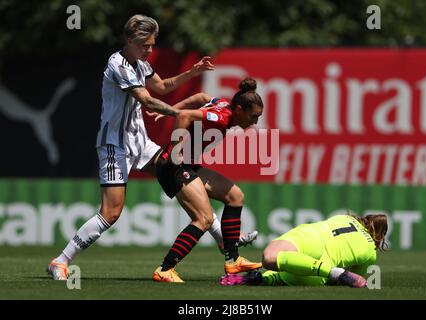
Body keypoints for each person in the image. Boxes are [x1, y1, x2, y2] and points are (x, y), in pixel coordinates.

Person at [46, 14, 246, 280]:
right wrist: (180, 114)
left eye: (153, 45)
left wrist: (192, 71)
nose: (150, 50)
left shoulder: (140, 63)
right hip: (114, 146)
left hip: (140, 142)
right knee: (111, 213)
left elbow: (161, 86)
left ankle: (225, 242)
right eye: (146, 45)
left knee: (181, 174)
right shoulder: (117, 64)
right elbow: (148, 100)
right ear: (130, 40)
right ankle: (60, 261)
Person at [151, 77, 265, 283]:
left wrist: (169, 109)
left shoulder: (223, 105)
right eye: (253, 116)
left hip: (189, 165)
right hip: (174, 167)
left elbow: (200, 97)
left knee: (235, 196)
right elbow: (185, 115)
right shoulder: (220, 118)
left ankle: (233, 260)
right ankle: (165, 269)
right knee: (204, 219)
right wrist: (174, 149)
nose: (255, 122)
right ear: (239, 109)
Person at [219, 213, 388, 288]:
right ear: (379, 236)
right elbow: (356, 278)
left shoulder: (346, 218)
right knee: (290, 274)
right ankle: (335, 272)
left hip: (311, 235)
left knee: (270, 258)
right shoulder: (370, 253)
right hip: (321, 269)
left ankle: (257, 278)